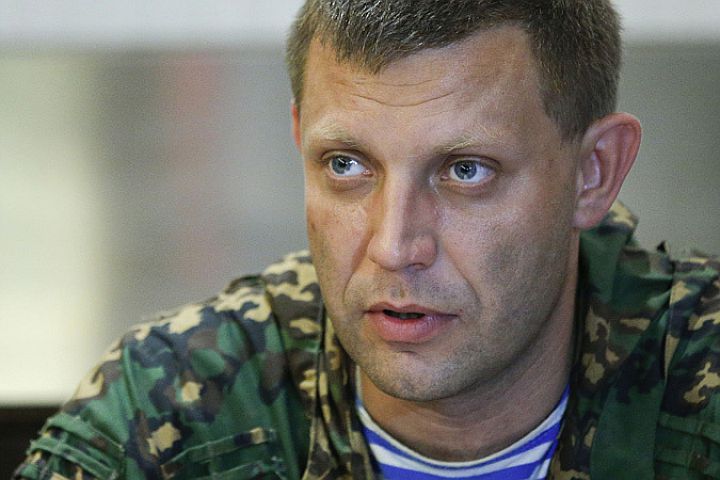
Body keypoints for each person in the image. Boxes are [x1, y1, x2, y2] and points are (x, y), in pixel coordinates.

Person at [14, 1, 720, 479]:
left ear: (593, 173)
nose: (393, 246)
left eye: (466, 170)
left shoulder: (701, 383)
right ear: (300, 141)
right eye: (347, 165)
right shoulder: (176, 404)